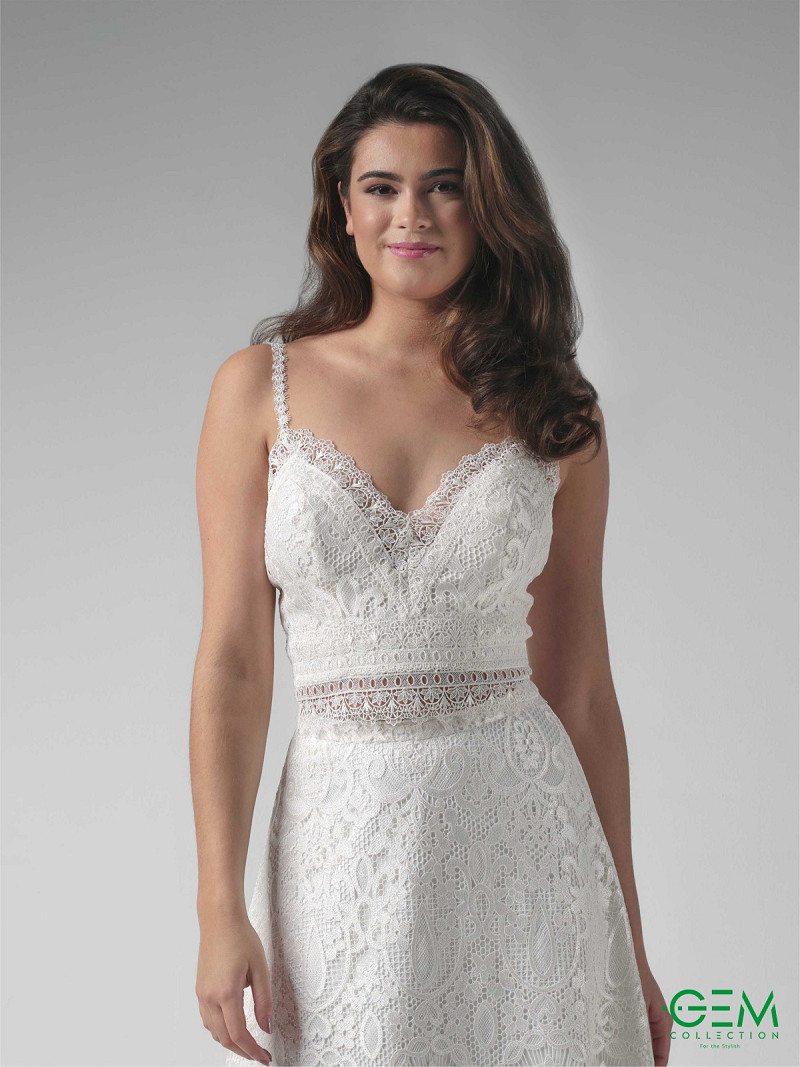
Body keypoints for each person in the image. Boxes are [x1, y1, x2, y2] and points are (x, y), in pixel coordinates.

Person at [191, 62, 670, 1067]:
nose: (412, 214)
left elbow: (581, 686)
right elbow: (233, 661)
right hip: (338, 840)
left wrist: (630, 938)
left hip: (525, 841)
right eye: (383, 186)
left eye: (444, 185)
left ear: (487, 205)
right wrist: (217, 905)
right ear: (342, 206)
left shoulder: (557, 411)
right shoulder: (257, 391)